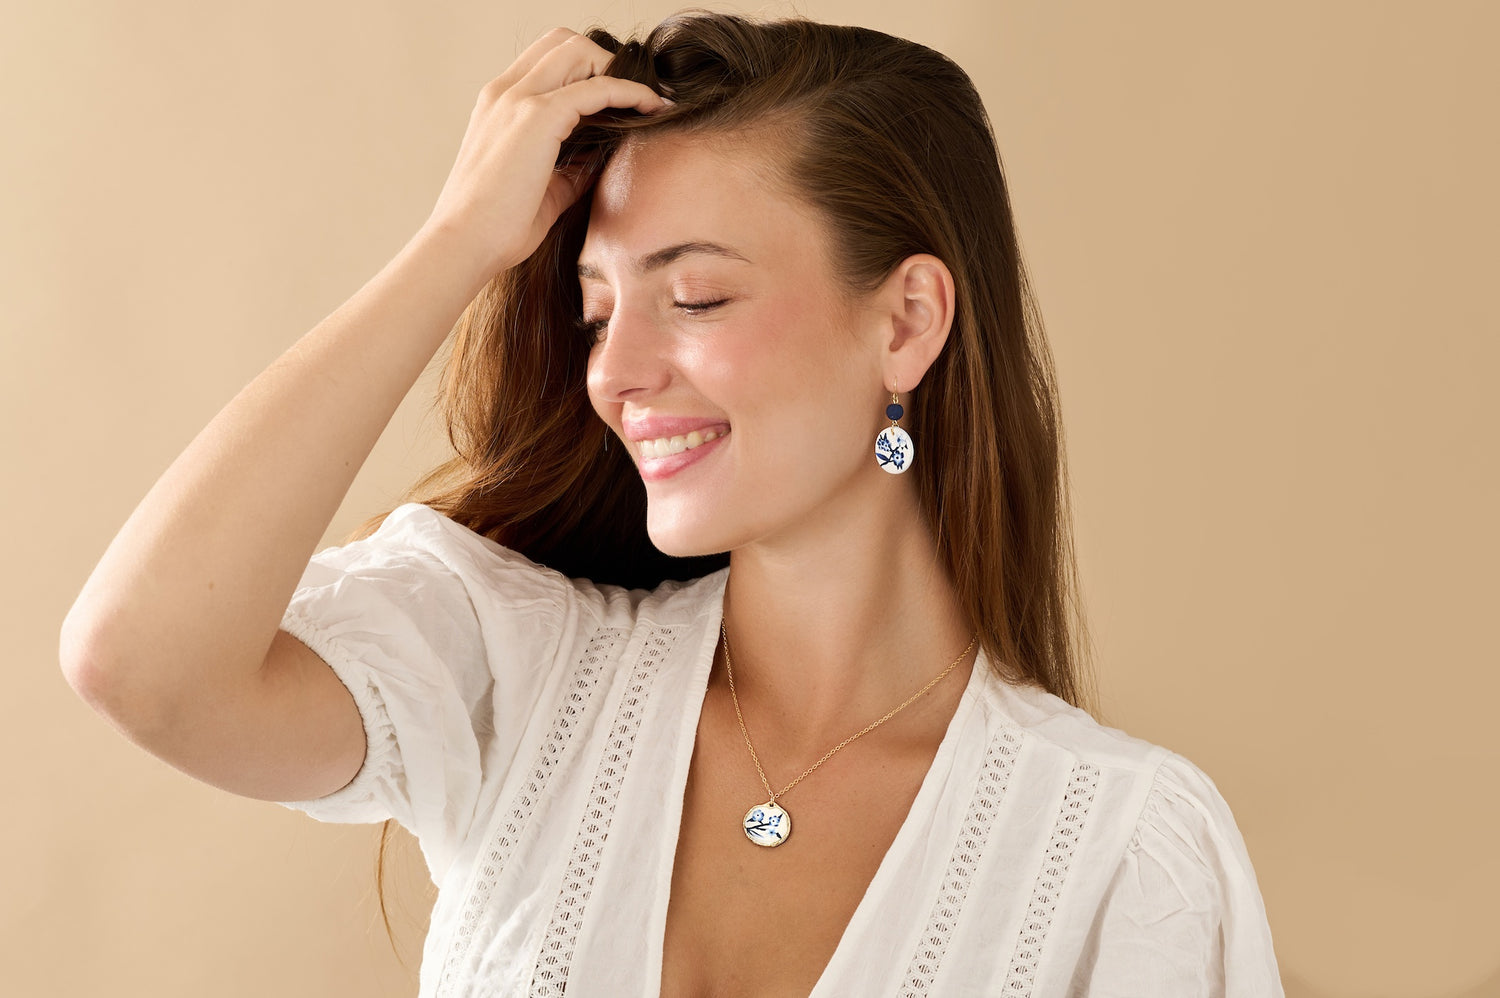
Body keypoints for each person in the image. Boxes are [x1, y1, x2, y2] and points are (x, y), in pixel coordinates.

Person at [60, 10, 1285, 996]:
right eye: (596, 313)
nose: (615, 372)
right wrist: (458, 241)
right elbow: (142, 661)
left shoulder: (1121, 844)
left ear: (907, 321)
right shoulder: (517, 671)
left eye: (695, 297)